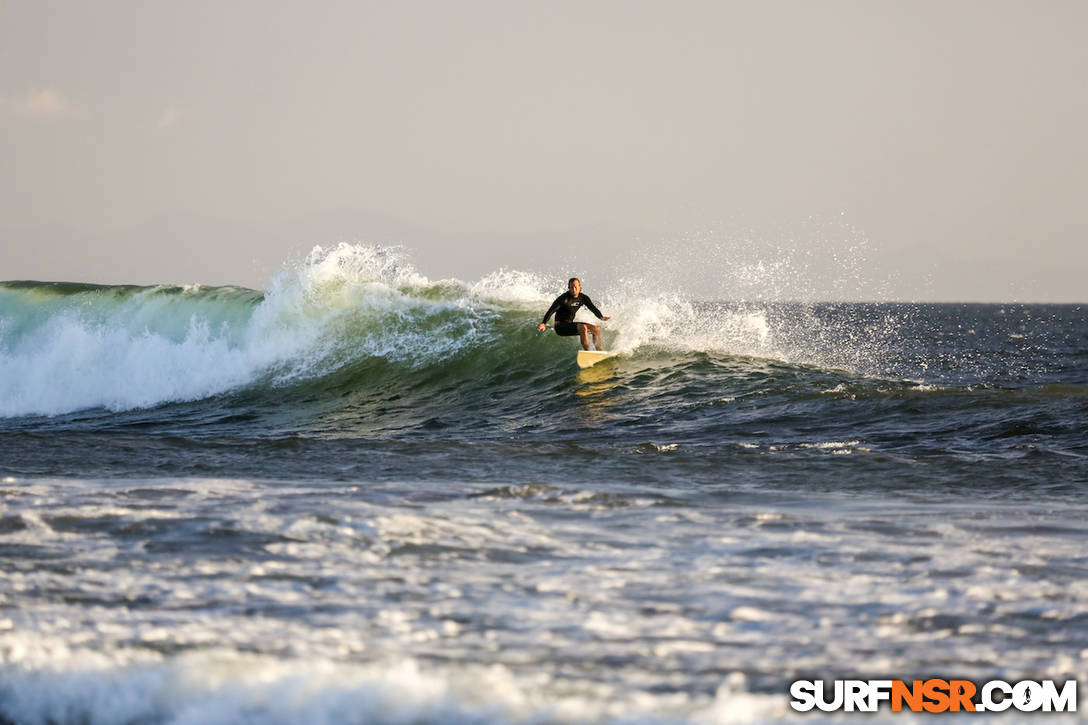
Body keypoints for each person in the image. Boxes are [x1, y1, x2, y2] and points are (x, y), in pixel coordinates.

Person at [537, 277, 611, 351]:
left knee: (596, 329)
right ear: (569, 288)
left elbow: (593, 308)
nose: (574, 289)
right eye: (571, 287)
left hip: (569, 324)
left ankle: (599, 351)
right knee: (583, 327)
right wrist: (543, 323)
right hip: (560, 326)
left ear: (580, 287)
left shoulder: (583, 298)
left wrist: (601, 317)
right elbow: (551, 310)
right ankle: (587, 352)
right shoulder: (563, 298)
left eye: (575, 287)